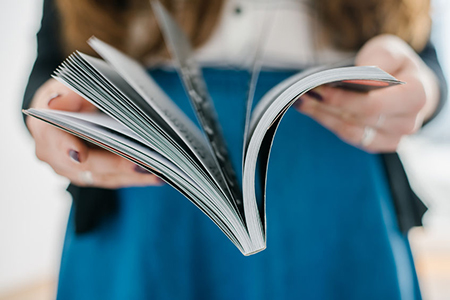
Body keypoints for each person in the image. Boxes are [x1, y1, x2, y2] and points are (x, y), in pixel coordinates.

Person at [23, 0, 447, 299]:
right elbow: (55, 56)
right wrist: (51, 114)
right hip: (148, 198)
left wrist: (421, 90)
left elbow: (423, 56)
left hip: (339, 194)